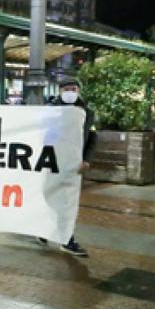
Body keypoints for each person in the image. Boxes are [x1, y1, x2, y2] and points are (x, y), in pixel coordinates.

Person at [38, 78, 95, 257]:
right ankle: (45, 229)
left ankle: (67, 239)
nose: (71, 91)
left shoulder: (87, 113)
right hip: (51, 162)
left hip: (74, 165)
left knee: (68, 201)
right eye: (67, 88)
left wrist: (87, 159)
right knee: (48, 196)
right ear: (60, 91)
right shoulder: (49, 111)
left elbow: (93, 137)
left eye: (74, 88)